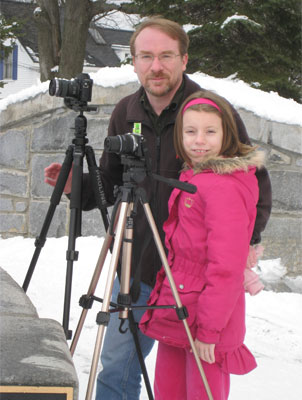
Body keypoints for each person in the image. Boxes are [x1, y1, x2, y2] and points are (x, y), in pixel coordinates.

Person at [44, 17, 272, 400]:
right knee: (118, 366)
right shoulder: (125, 112)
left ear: (184, 59)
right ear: (133, 62)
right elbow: (111, 181)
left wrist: (241, 245)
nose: (156, 66)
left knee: (191, 378)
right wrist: (76, 187)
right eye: (146, 56)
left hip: (191, 276)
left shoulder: (210, 112)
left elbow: (253, 187)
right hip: (138, 262)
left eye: (166, 55)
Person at [139, 90, 265, 399]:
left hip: (206, 319)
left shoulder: (224, 187)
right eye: (190, 131)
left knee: (201, 392)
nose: (199, 140)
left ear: (227, 134)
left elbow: (225, 266)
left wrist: (210, 331)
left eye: (210, 132)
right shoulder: (196, 176)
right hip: (179, 307)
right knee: (169, 390)